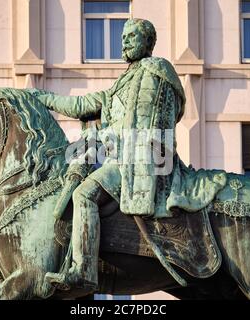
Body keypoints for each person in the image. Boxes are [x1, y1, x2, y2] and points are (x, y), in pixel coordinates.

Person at [36, 18, 190, 293]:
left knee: (84, 194)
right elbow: (79, 105)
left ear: (148, 43)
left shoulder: (156, 70)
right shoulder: (120, 84)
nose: (125, 41)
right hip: (118, 156)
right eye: (124, 36)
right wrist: (40, 97)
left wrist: (107, 137)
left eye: (132, 36)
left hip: (137, 161)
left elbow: (146, 122)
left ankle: (83, 270)